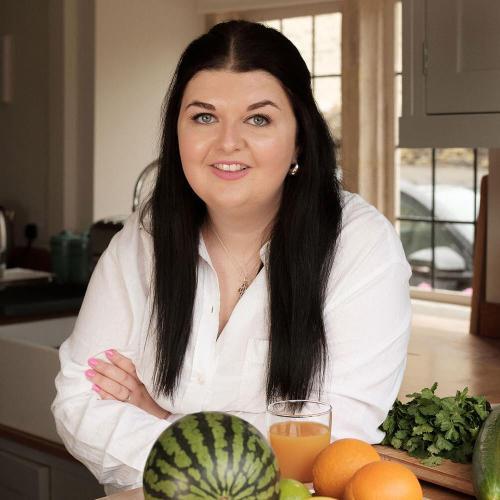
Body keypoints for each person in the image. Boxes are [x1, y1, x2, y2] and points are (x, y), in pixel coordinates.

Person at [51, 19, 412, 494]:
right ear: (176, 131)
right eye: (204, 117)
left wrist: (161, 416)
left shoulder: (359, 246)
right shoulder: (142, 238)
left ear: (299, 138)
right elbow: (79, 400)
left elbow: (334, 438)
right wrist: (203, 442)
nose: (227, 143)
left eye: (258, 119)